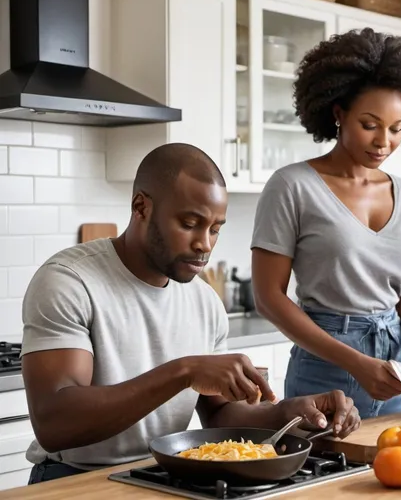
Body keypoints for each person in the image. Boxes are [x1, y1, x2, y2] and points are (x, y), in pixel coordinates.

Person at [20, 143, 360, 485]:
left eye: (215, 228)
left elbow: (218, 414)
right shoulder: (70, 280)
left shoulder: (204, 300)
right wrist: (184, 372)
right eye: (190, 223)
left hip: (160, 475)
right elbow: (54, 424)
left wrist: (287, 414)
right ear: (141, 207)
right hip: (72, 478)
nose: (206, 244)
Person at [250, 28, 401, 420]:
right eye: (370, 124)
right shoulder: (292, 186)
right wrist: (356, 364)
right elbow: (269, 297)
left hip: (399, 374)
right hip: (324, 373)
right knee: (323, 478)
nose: (383, 141)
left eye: (396, 128)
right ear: (338, 114)